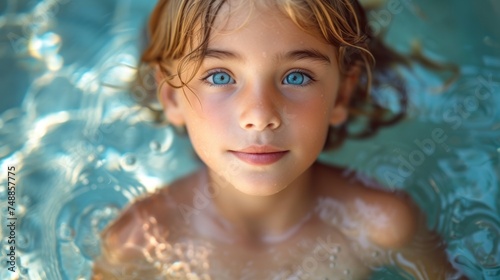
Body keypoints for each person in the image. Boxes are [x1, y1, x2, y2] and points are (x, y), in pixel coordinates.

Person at [92, 0, 466, 279]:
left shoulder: (381, 224)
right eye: (220, 76)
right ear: (171, 96)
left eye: (297, 77)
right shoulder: (140, 241)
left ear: (340, 95)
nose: (260, 115)